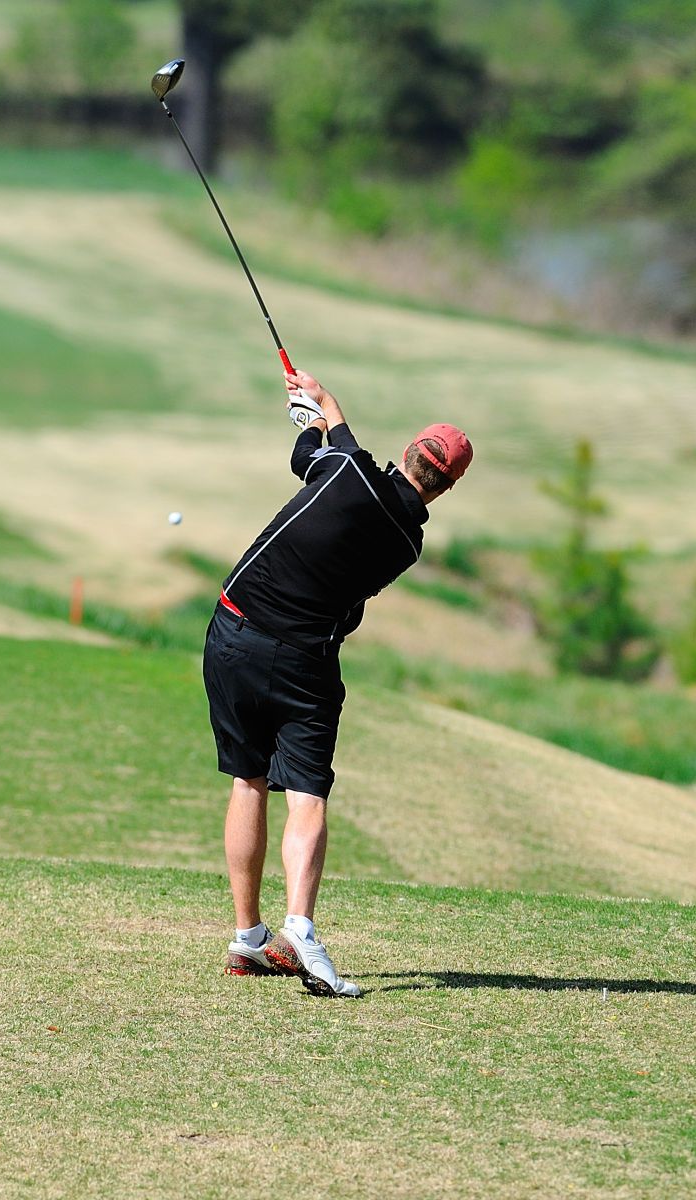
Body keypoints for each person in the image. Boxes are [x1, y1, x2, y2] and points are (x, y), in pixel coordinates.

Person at [204, 368, 473, 998]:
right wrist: (317, 421)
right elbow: (322, 452)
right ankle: (299, 925)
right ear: (447, 486)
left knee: (248, 780)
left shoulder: (347, 473)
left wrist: (312, 408)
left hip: (234, 631)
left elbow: (321, 452)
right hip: (305, 661)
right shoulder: (408, 541)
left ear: (409, 450)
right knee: (306, 795)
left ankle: (248, 939)